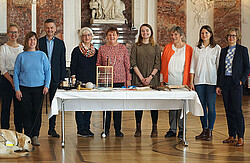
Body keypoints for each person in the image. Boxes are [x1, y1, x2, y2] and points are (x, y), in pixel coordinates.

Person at [13, 31, 51, 146]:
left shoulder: (42, 55)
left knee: (36, 112)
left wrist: (46, 85)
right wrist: (17, 89)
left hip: (39, 88)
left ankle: (35, 135)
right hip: (24, 88)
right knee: (26, 113)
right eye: (30, 39)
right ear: (26, 41)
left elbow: (48, 71)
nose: (32, 41)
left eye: (34, 39)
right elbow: (15, 73)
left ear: (36, 42)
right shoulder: (21, 56)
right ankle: (27, 135)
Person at [216, 27, 250, 146]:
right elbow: (221, 69)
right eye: (230, 35)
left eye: (234, 35)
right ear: (227, 37)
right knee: (228, 110)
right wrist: (219, 85)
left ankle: (240, 136)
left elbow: (247, 67)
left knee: (237, 110)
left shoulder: (242, 50)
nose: (231, 37)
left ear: (237, 37)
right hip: (225, 83)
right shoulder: (224, 51)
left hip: (236, 83)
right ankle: (232, 135)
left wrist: (242, 80)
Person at [96, 27, 131, 137]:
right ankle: (105, 130)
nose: (112, 37)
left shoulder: (123, 48)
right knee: (106, 106)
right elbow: (98, 64)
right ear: (106, 36)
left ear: (117, 36)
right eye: (110, 35)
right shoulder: (102, 49)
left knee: (117, 107)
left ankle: (118, 130)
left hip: (120, 80)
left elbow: (127, 64)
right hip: (106, 80)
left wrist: (128, 79)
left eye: (114, 35)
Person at [161, 26, 193, 139]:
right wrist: (163, 80)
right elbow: (163, 64)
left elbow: (191, 66)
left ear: (181, 36)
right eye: (172, 35)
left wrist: (190, 82)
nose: (173, 37)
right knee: (172, 107)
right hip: (170, 81)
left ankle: (182, 129)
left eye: (175, 35)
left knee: (181, 107)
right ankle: (172, 129)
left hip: (182, 82)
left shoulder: (188, 49)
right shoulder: (167, 47)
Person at [190, 25, 221, 141]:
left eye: (206, 33)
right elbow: (192, 66)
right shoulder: (196, 48)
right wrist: (191, 81)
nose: (204, 35)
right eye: (202, 33)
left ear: (211, 34)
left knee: (211, 107)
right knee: (202, 107)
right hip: (199, 81)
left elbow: (218, 67)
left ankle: (210, 131)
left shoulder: (216, 48)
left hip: (212, 81)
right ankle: (204, 129)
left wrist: (219, 84)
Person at [130, 24, 161, 137]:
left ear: (151, 32)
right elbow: (133, 63)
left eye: (147, 31)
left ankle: (154, 127)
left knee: (154, 105)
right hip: (139, 80)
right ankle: (138, 128)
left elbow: (158, 64)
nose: (145, 33)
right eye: (143, 31)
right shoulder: (135, 46)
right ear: (140, 33)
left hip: (153, 80)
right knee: (139, 105)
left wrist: (150, 77)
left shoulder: (156, 46)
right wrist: (141, 77)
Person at [39, 19, 66, 138]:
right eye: (47, 28)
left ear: (55, 29)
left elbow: (63, 62)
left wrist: (62, 79)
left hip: (55, 77)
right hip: (40, 77)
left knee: (53, 104)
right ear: (44, 29)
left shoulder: (60, 43)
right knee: (38, 104)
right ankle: (36, 130)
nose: (49, 30)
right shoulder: (39, 42)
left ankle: (52, 128)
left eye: (51, 28)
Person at [70, 27, 97, 137]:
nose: (87, 37)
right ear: (81, 37)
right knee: (79, 106)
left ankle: (87, 127)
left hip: (91, 83)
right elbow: (73, 66)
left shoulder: (96, 51)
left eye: (89, 35)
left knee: (89, 105)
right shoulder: (76, 50)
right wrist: (73, 78)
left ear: (91, 37)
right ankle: (80, 129)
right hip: (80, 83)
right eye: (84, 35)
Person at [0, 23, 23, 133]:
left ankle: (18, 132)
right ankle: (5, 133)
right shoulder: (3, 49)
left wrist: (17, 82)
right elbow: (2, 68)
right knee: (5, 107)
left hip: (19, 79)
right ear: (8, 34)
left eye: (15, 32)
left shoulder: (22, 49)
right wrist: (12, 82)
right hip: (6, 80)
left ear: (18, 34)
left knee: (19, 108)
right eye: (11, 32)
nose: (13, 34)